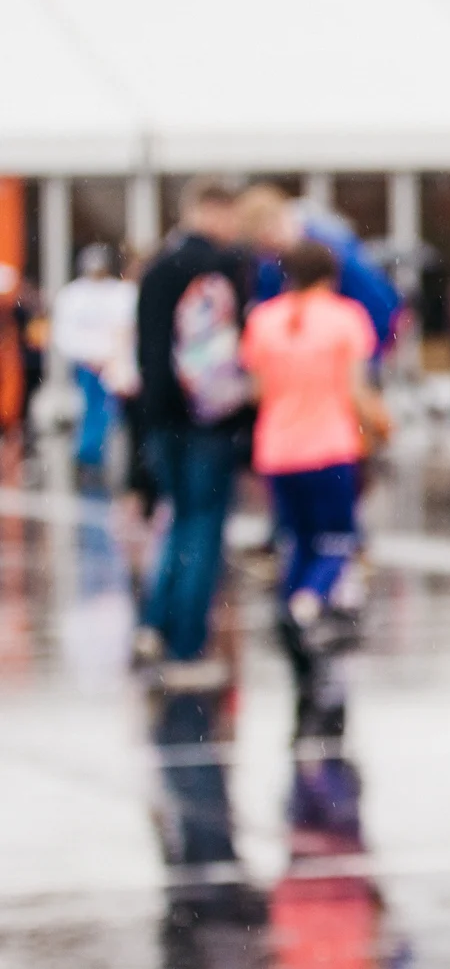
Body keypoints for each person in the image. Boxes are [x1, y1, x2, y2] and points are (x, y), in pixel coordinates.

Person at [239, 238, 387, 739]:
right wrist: (382, 423)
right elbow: (355, 390)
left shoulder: (263, 320)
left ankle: (293, 611)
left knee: (297, 541)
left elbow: (256, 390)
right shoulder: (346, 319)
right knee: (338, 541)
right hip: (330, 447)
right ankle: (307, 604)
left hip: (278, 449)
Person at [133, 177, 256, 679]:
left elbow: (147, 353)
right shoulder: (224, 268)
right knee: (204, 529)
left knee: (175, 519)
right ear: (215, 210)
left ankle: (152, 625)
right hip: (209, 418)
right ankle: (187, 642)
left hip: (163, 417)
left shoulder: (158, 268)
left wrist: (151, 417)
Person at [236, 184, 403, 357]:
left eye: (264, 241)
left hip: (342, 350)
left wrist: (367, 357)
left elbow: (378, 302)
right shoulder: (269, 264)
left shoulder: (332, 249)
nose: (265, 251)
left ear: (276, 223)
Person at [51, 244, 137, 476]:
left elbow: (126, 328)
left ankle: (111, 461)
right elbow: (65, 334)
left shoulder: (120, 292)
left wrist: (112, 358)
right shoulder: (73, 295)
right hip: (86, 367)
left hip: (114, 365)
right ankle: (89, 458)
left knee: (115, 417)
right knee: (89, 413)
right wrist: (90, 356)